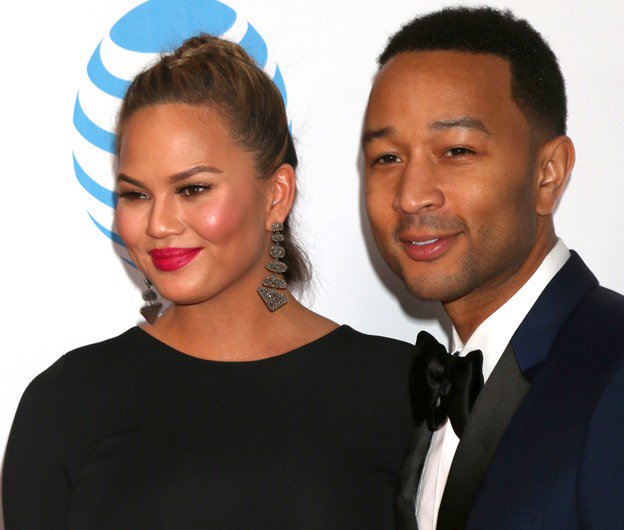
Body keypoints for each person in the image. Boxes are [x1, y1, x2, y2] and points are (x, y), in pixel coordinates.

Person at [3, 35, 412, 529]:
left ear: (277, 196)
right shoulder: (66, 402)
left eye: (192, 189)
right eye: (135, 194)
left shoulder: (398, 390)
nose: (158, 224)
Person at [362, 6, 624, 530]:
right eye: (387, 158)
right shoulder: (429, 387)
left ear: (548, 174)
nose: (411, 196)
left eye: (456, 150)